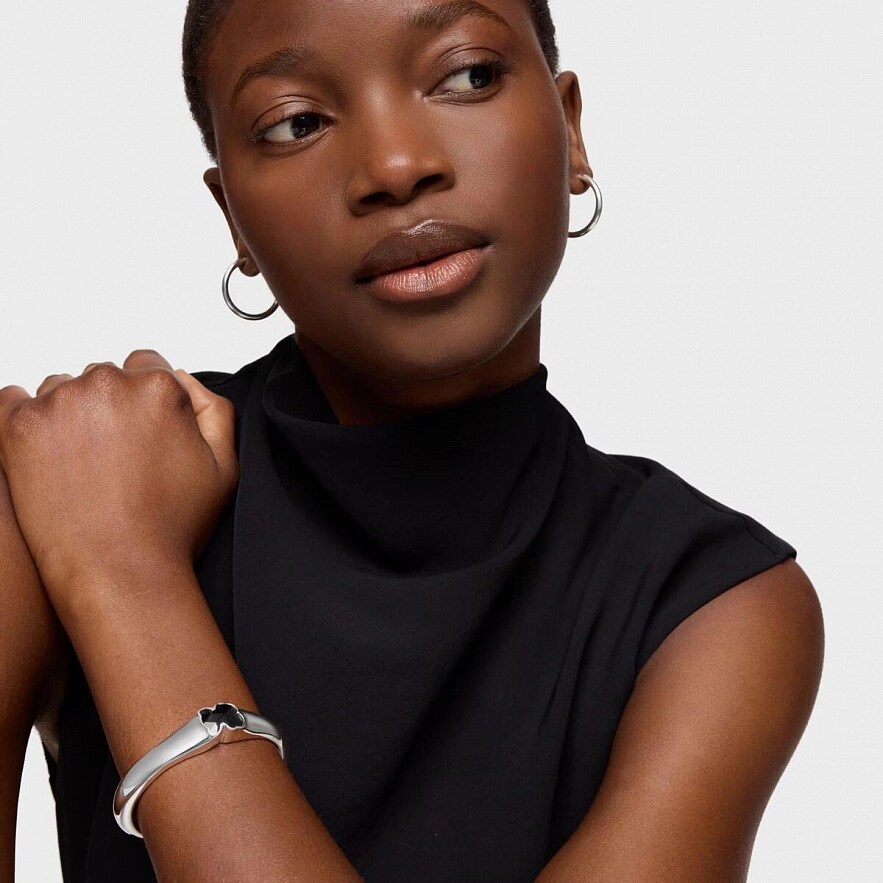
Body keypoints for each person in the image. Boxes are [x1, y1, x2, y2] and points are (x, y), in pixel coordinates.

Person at [0, 1, 825, 881]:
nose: (396, 167)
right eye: (296, 123)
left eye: (467, 75)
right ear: (233, 214)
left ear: (571, 130)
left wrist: (129, 578)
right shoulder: (73, 480)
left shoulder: (713, 605)